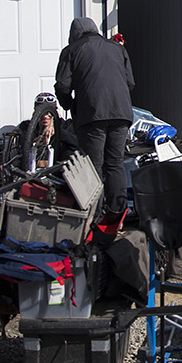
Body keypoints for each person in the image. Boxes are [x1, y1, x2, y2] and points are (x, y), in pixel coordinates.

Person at [54, 17, 135, 218]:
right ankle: (118, 214)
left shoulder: (71, 51)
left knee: (94, 165)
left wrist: (69, 105)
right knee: (115, 163)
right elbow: (130, 83)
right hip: (121, 113)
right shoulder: (117, 48)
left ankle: (94, 216)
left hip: (92, 114)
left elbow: (63, 86)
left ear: (73, 35)